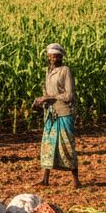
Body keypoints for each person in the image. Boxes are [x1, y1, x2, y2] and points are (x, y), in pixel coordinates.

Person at [33, 43, 79, 188]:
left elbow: (69, 95)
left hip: (64, 113)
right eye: (51, 56)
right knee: (47, 146)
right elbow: (48, 94)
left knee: (67, 146)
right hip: (51, 113)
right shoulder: (48, 71)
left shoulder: (65, 71)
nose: (53, 58)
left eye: (56, 56)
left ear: (61, 56)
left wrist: (48, 97)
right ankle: (45, 179)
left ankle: (75, 180)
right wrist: (40, 101)